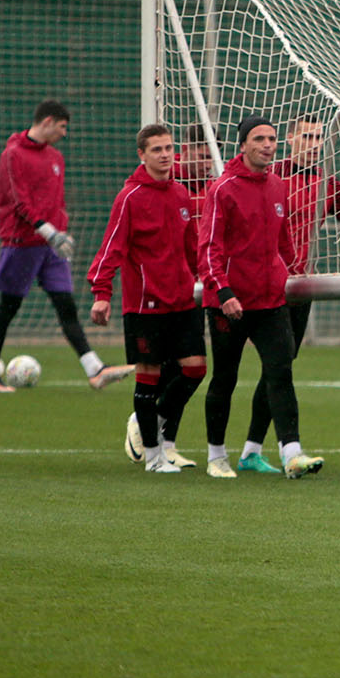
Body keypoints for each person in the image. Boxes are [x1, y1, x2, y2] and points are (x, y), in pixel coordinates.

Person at [232, 115, 340, 475]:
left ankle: (251, 451)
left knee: (277, 368)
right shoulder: (271, 177)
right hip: (260, 287)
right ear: (290, 140)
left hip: (300, 289)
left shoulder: (327, 184)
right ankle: (167, 433)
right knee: (225, 371)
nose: (313, 144)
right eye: (306, 137)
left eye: (318, 138)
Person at [200, 117, 322, 479]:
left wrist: (292, 272)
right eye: (259, 139)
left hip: (270, 301)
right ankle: (216, 455)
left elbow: (282, 243)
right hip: (230, 303)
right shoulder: (223, 189)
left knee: (280, 371)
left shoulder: (277, 186)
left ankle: (292, 453)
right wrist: (223, 290)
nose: (267, 145)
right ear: (243, 145)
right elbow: (208, 247)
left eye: (271, 139)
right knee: (225, 378)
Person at [0, 99, 133, 393]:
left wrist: (60, 231)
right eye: (62, 126)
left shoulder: (55, 157)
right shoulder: (13, 154)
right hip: (22, 243)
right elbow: (19, 201)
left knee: (66, 306)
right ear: (48, 121)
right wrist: (48, 231)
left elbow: (57, 200)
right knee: (8, 307)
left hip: (52, 247)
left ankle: (95, 370)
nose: (64, 133)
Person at [87, 124, 205, 473]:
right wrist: (101, 293)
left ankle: (146, 422)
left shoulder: (182, 194)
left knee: (196, 368)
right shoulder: (130, 198)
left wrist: (210, 280)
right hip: (145, 305)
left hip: (182, 301)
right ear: (142, 154)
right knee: (149, 376)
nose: (165, 154)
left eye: (169, 148)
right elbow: (112, 247)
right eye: (157, 149)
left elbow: (193, 247)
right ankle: (153, 456)